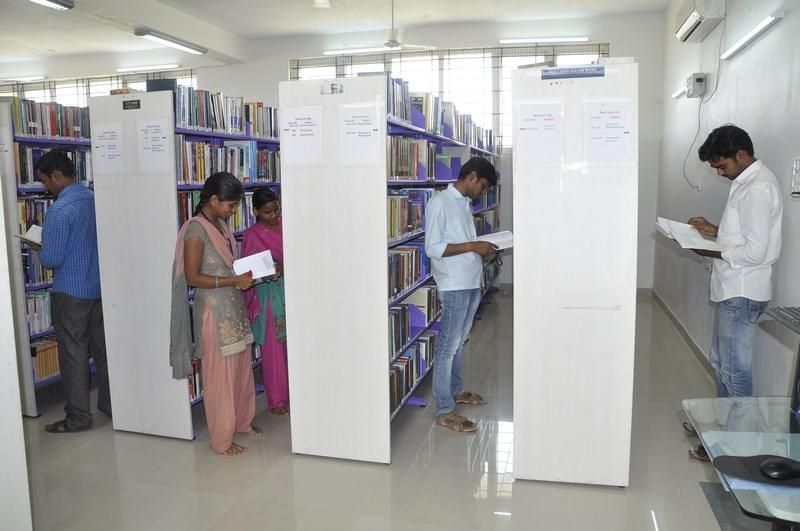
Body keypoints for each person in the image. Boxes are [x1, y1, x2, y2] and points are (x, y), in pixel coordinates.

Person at [685, 125, 783, 460]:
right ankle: (722, 430)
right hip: (736, 289)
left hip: (742, 292)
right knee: (722, 362)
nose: (718, 172)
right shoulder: (747, 183)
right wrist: (716, 232)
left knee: (734, 372)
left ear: (742, 155)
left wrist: (716, 250)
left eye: (721, 166)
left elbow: (755, 252)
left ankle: (734, 448)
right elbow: (746, 237)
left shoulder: (756, 188)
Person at [170, 172, 261, 456]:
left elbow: (225, 264)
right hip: (213, 310)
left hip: (232, 306)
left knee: (240, 371)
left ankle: (242, 422)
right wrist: (234, 281)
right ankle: (221, 440)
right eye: (230, 205)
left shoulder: (219, 224)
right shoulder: (196, 230)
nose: (232, 211)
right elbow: (193, 277)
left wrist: (246, 274)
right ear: (213, 199)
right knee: (219, 376)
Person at [34, 151, 110, 434]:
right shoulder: (94, 200)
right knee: (103, 351)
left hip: (72, 291)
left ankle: (78, 418)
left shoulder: (59, 211)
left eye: (45, 182)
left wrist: (38, 247)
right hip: (100, 287)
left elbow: (51, 259)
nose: (46, 188)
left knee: (74, 355)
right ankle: (112, 405)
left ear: (56, 176)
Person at [424, 157, 499, 433]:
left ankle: (455, 391)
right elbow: (433, 248)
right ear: (471, 176)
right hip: (453, 284)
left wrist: (482, 249)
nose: (483, 192)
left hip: (470, 280)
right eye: (483, 185)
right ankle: (444, 409)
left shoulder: (464, 204)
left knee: (459, 341)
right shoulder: (440, 203)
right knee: (447, 345)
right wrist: (472, 245)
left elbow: (465, 244)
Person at [241, 188, 289, 416]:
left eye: (276, 209)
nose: (274, 215)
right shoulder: (252, 235)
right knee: (273, 349)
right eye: (268, 212)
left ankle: (296, 392)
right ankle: (277, 400)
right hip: (269, 295)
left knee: (293, 347)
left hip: (291, 292)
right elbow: (247, 273)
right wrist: (273, 268)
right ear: (257, 212)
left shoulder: (286, 226)